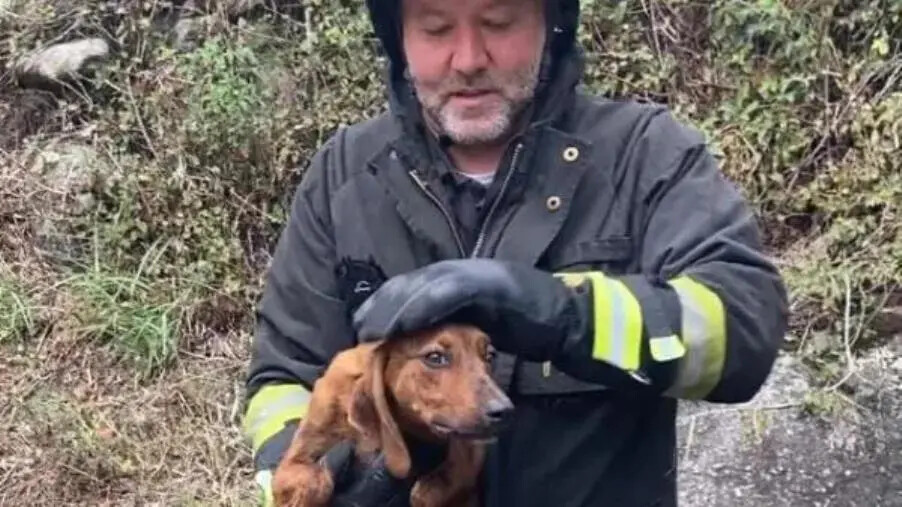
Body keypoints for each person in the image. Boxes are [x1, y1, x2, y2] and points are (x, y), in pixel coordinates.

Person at [241, 0, 790, 505]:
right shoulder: (343, 176)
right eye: (435, 29)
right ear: (399, 41)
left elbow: (743, 329)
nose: (469, 58)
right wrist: (322, 466)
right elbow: (282, 379)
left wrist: (564, 314)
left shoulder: (644, 155)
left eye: (499, 22)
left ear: (550, 25)